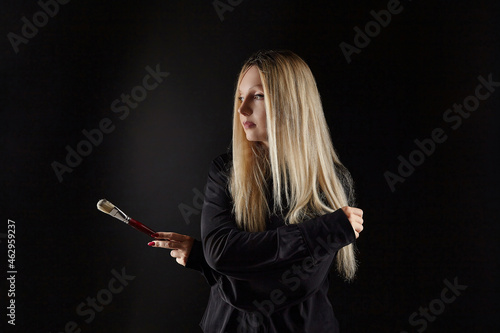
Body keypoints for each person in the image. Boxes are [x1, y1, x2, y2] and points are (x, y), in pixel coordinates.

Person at [147, 50, 364, 332]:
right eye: (240, 96)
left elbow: (276, 291)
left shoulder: (328, 182)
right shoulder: (226, 170)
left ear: (292, 103)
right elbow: (219, 251)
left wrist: (211, 263)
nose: (242, 109)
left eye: (258, 95)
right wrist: (319, 232)